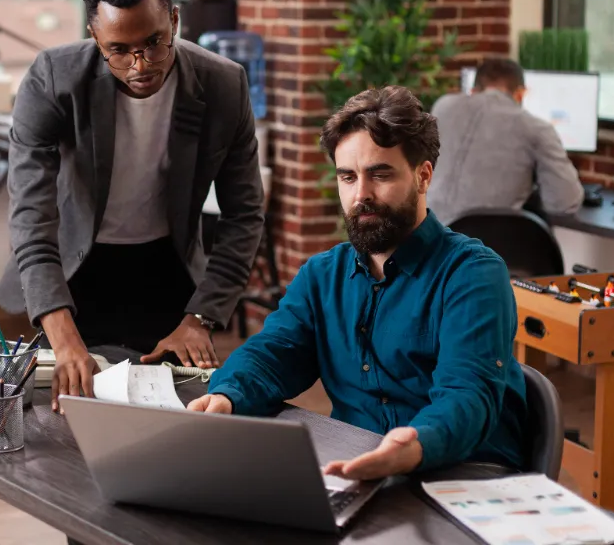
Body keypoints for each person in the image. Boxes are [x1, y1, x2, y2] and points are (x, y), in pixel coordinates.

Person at [188, 86, 527, 481]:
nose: (360, 194)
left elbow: (467, 395)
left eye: (379, 174)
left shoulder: (473, 274)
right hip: (356, 466)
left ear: (423, 176)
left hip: (461, 473)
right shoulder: (322, 275)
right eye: (347, 177)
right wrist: (227, 396)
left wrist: (413, 444)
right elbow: (273, 353)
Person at [0, 0, 265, 412]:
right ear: (95, 37)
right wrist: (61, 335)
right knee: (65, 423)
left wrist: (201, 316)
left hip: (167, 271)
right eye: (119, 50)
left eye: (154, 43)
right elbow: (31, 216)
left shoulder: (223, 85)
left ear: (175, 21)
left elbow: (245, 214)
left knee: (166, 421)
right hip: (74, 274)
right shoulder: (54, 79)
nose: (140, 65)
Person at [427, 59, 584, 226]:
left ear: (473, 91)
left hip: (420, 239)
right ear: (521, 94)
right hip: (481, 246)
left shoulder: (442, 107)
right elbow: (565, 203)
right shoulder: (536, 128)